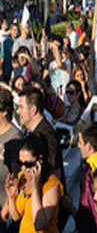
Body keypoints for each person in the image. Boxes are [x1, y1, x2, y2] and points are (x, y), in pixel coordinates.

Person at [2, 133, 63, 233]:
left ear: (39, 161)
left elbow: (39, 224)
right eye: (20, 163)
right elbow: (16, 217)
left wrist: (35, 189)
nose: (23, 168)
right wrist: (11, 196)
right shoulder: (23, 177)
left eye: (28, 164)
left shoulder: (51, 185)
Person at [0, 89, 22, 230]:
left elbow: (17, 180)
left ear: (4, 112)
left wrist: (3, 214)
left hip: (5, 212)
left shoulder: (14, 138)